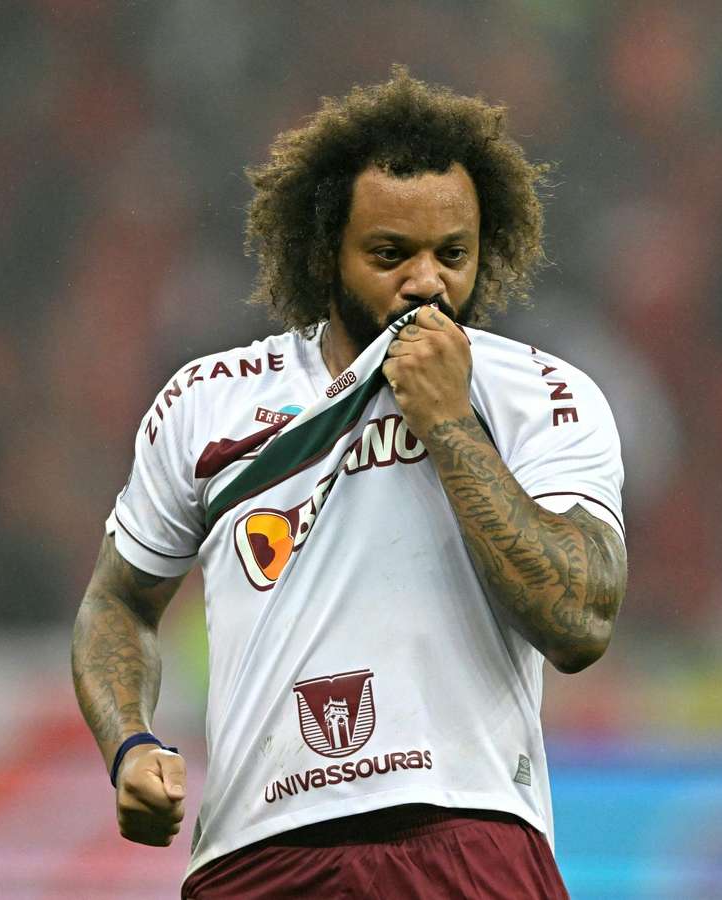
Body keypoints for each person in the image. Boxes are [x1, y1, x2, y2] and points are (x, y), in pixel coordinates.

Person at [72, 68, 627, 899]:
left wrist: (449, 422)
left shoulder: (539, 395)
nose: (426, 283)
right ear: (322, 252)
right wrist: (130, 742)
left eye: (453, 255)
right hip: (255, 855)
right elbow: (117, 603)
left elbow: (579, 618)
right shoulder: (207, 402)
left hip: (466, 834)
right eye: (390, 254)